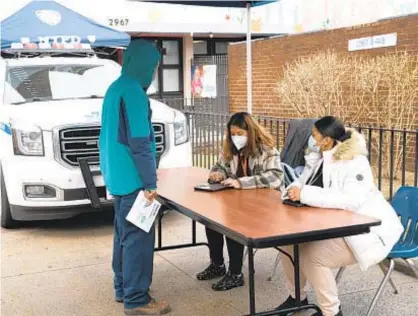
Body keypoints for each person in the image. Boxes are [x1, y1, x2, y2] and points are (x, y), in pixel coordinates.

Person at [276, 116, 404, 316]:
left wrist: (306, 194)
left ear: (326, 139)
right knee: (287, 246)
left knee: (312, 257)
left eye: (314, 136)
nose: (311, 140)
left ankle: (332, 312)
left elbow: (350, 201)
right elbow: (302, 182)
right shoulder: (319, 158)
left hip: (365, 231)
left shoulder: (354, 161)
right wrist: (293, 189)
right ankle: (297, 299)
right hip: (330, 224)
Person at [99, 39, 170, 315]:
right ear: (144, 65)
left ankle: (123, 288)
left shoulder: (114, 89)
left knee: (122, 237)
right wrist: (150, 182)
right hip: (134, 181)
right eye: (152, 67)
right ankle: (137, 300)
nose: (152, 73)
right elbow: (140, 142)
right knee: (138, 240)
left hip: (117, 178)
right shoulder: (134, 93)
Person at [196, 112, 284, 291]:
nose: (236, 137)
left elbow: (275, 177)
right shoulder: (231, 149)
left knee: (232, 224)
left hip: (265, 208)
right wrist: (216, 173)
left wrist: (240, 182)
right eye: (233, 134)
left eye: (240, 133)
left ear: (250, 132)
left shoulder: (267, 149)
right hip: (240, 203)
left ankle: (235, 274)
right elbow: (219, 165)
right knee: (212, 221)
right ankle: (217, 264)